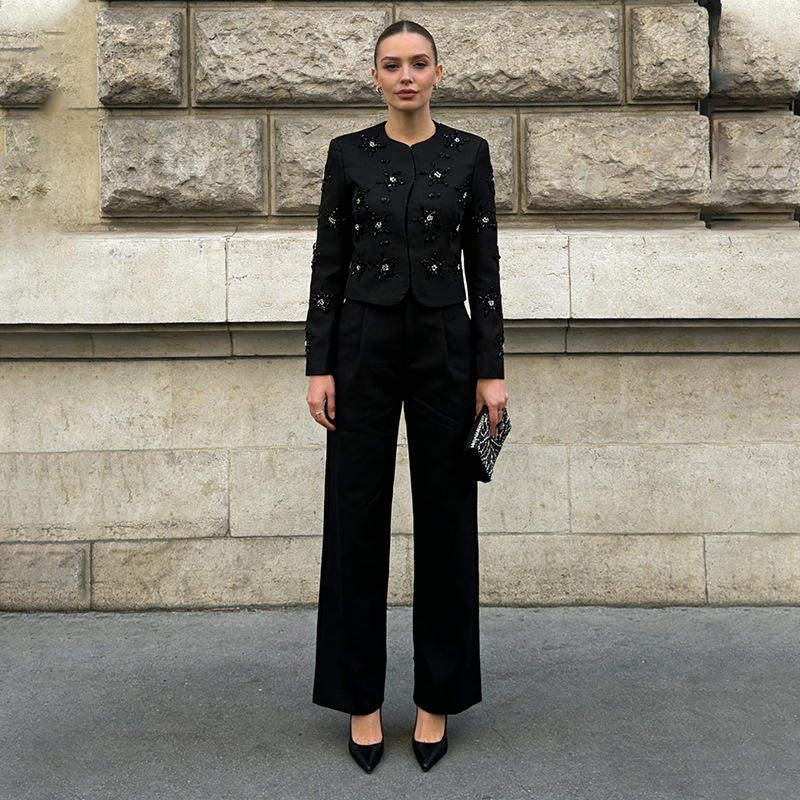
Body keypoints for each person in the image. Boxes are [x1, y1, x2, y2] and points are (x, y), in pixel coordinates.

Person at [304, 19, 509, 773]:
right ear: (376, 77)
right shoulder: (348, 154)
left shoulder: (469, 155)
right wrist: (318, 364)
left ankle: (436, 701)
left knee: (448, 521)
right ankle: (360, 702)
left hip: (445, 348)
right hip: (361, 347)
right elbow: (328, 262)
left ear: (438, 73)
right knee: (354, 520)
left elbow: (484, 268)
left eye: (419, 63)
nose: (406, 76)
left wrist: (490, 369)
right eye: (392, 65)